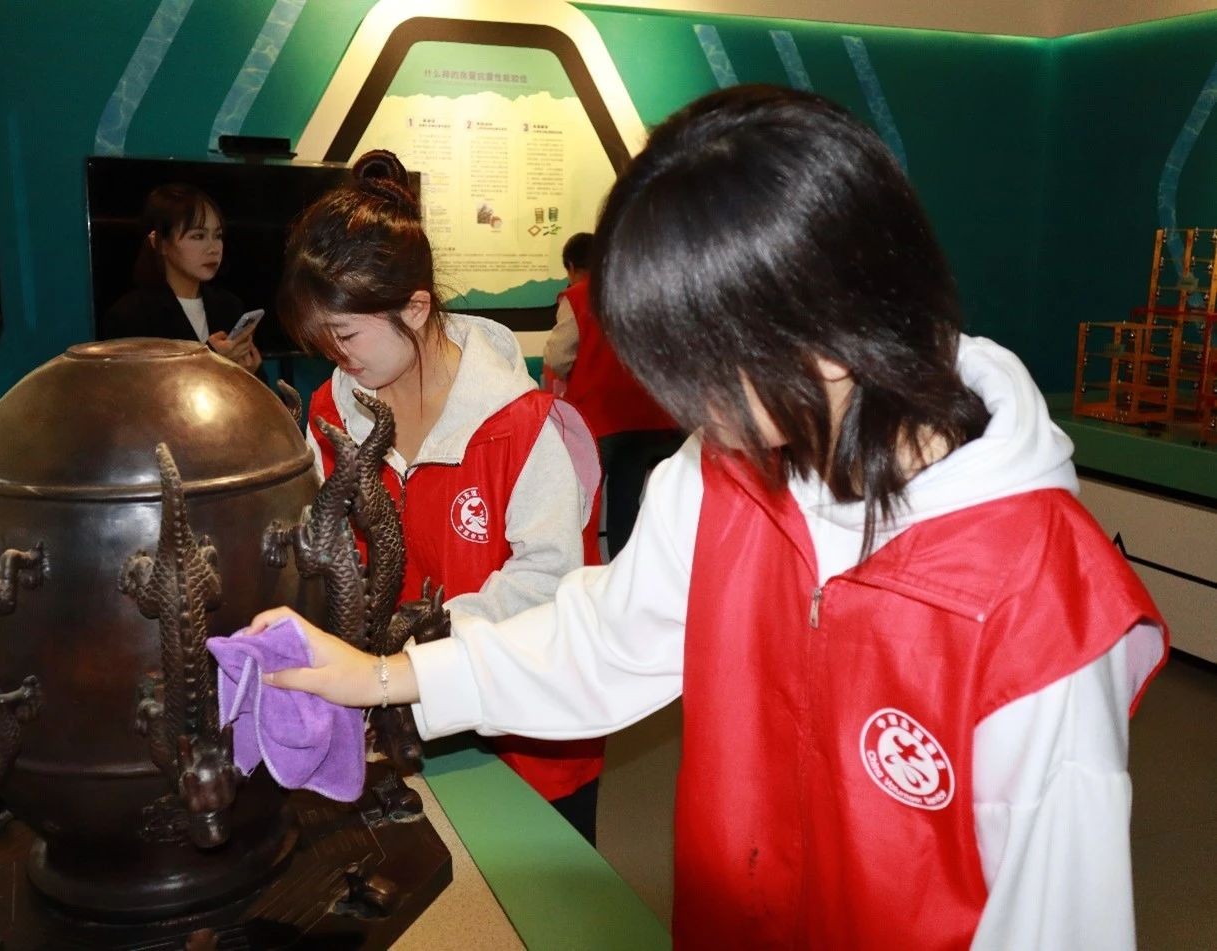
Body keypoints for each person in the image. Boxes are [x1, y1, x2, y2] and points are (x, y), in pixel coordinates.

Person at [249, 87, 1167, 948]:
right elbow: (602, 643)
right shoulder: (723, 471)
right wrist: (383, 675)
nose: (694, 411)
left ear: (829, 318)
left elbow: (1058, 916)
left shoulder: (1034, 590)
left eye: (703, 367)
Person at [277, 150, 607, 843]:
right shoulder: (331, 416)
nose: (336, 355)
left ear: (416, 306)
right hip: (390, 724)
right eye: (321, 339)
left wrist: (414, 654)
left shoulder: (521, 424)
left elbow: (549, 583)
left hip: (522, 739)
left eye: (346, 334)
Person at [544, 232, 682, 556]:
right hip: (645, 418)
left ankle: (582, 568)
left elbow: (557, 357)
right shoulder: (641, 292)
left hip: (597, 420)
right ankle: (626, 568)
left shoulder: (577, 297)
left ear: (571, 266)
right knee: (626, 503)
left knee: (583, 502)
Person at [105, 183, 262, 374]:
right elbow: (139, 387)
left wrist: (248, 373)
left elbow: (257, 387)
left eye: (218, 235)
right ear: (160, 243)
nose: (213, 248)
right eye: (198, 236)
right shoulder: (131, 315)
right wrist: (213, 360)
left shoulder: (229, 306)